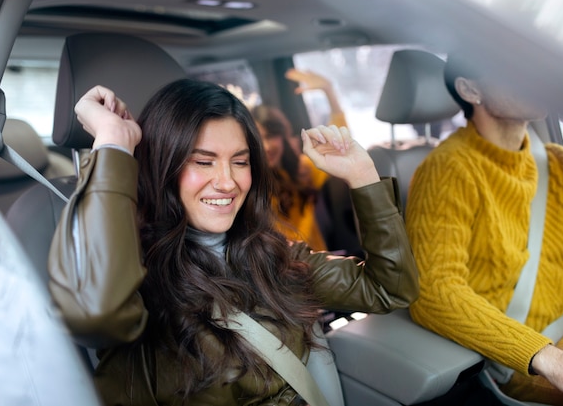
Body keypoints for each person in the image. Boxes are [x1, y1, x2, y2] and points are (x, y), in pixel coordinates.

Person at [47, 79, 419, 405]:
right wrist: (113, 144)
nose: (228, 182)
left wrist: (361, 174)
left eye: (239, 162)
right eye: (203, 162)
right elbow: (96, 314)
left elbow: (389, 289)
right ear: (163, 166)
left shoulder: (270, 253)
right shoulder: (135, 278)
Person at [405, 51, 563, 406]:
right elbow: (433, 293)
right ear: (471, 90)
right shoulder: (448, 170)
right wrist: (554, 360)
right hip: (530, 358)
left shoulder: (556, 163)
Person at [251, 69, 348, 251]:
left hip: (320, 265)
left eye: (271, 136)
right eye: (257, 139)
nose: (266, 146)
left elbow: (338, 149)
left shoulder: (301, 169)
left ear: (283, 136)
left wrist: (329, 91)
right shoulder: (252, 186)